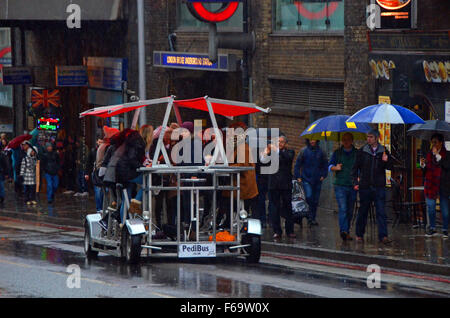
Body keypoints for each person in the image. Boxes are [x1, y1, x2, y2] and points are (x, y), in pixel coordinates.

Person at [352, 129, 394, 244]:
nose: (368, 139)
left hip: (379, 186)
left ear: (376, 138)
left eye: (371, 137)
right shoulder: (362, 151)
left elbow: (390, 167)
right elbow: (355, 168)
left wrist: (386, 160)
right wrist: (356, 182)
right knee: (363, 211)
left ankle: (383, 236)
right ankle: (359, 234)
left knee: (381, 211)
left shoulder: (383, 151)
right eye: (368, 137)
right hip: (365, 186)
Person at [262, 134, 296, 239]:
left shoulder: (289, 152)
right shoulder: (272, 152)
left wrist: (276, 150)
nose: (279, 144)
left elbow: (287, 159)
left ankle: (290, 230)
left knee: (288, 208)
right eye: (278, 142)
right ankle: (277, 231)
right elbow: (263, 161)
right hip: (273, 184)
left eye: (281, 142)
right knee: (274, 209)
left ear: (285, 143)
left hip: (285, 184)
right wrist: (266, 152)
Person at [328, 133, 357, 241]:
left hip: (352, 185)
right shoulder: (337, 153)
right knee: (343, 208)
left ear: (352, 140)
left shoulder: (357, 153)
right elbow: (330, 166)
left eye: (348, 140)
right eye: (344, 140)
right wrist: (336, 167)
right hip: (340, 185)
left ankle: (347, 231)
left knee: (350, 210)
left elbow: (360, 167)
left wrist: (359, 177)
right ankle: (343, 231)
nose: (346, 142)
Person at [294, 139, 328, 226]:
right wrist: (298, 176)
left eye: (314, 140)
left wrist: (323, 175)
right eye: (310, 140)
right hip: (306, 178)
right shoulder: (303, 151)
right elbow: (297, 165)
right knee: (309, 197)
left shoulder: (321, 152)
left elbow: (325, 164)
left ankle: (312, 218)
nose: (312, 141)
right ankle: (309, 216)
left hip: (317, 179)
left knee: (315, 200)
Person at [420, 133, 449, 238]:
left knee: (445, 210)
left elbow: (446, 166)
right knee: (431, 207)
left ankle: (445, 229)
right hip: (430, 184)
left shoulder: (447, 154)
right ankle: (432, 228)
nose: (433, 145)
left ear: (441, 143)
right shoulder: (428, 154)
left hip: (443, 185)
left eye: (435, 142)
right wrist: (423, 165)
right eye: (432, 142)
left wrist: (438, 156)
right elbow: (425, 171)